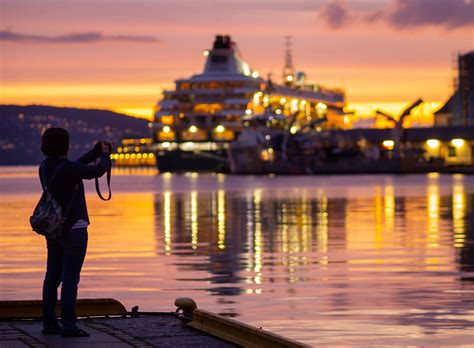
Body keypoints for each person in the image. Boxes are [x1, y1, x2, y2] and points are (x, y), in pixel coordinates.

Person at [39, 127, 112, 337]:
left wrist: (94, 152)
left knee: (51, 278)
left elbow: (75, 166)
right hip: (75, 229)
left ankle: (50, 324)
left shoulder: (44, 167)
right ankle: (69, 326)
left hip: (53, 229)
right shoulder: (68, 169)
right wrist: (105, 155)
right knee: (71, 278)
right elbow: (98, 171)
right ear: (66, 145)